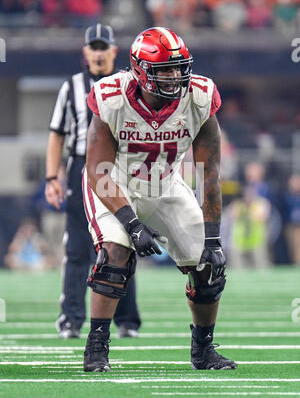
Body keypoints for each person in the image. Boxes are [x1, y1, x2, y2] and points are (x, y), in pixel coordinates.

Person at [82, 26, 237, 372]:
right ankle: (96, 350)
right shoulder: (112, 96)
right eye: (165, 69)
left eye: (180, 67)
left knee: (209, 266)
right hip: (115, 184)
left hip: (166, 184)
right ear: (139, 69)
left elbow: (209, 170)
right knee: (115, 258)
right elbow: (98, 170)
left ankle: (203, 350)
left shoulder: (199, 96)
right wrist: (133, 225)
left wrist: (212, 237)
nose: (175, 77)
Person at [45, 24, 141, 339]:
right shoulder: (71, 86)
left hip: (119, 168)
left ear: (114, 51)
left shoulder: (129, 84)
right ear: (86, 52)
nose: (99, 53)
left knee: (125, 243)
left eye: (104, 47)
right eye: (93, 47)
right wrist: (52, 177)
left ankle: (127, 320)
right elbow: (57, 134)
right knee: (76, 248)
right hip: (79, 168)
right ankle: (71, 318)